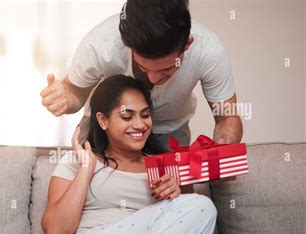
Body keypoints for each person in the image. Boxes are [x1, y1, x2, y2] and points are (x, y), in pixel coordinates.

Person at [41, 75, 254, 234]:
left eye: (145, 115)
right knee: (201, 206)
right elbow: (55, 233)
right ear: (102, 120)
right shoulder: (78, 161)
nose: (140, 124)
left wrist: (179, 194)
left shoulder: (167, 166)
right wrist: (87, 170)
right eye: (127, 116)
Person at [40, 0, 242, 155]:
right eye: (143, 67)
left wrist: (224, 147)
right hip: (104, 130)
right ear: (128, 45)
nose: (153, 79)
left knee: (169, 198)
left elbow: (227, 116)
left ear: (187, 45)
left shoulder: (208, 49)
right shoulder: (100, 43)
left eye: (167, 69)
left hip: (170, 130)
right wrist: (65, 97)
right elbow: (75, 91)